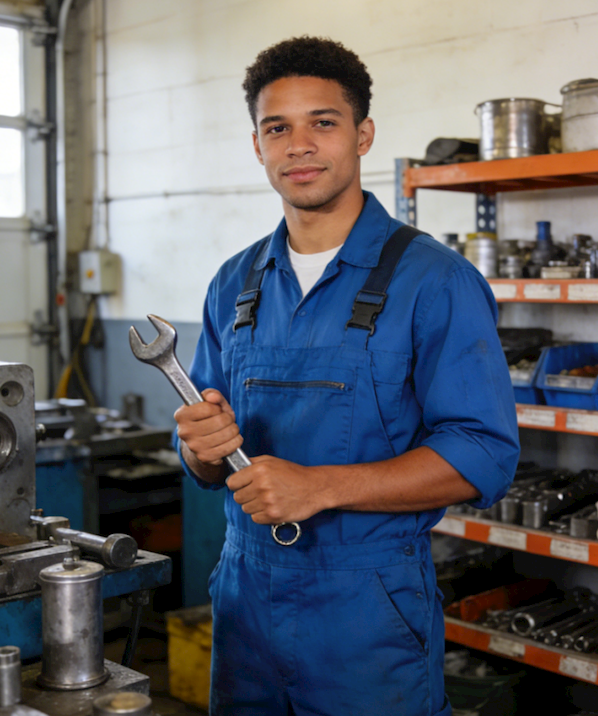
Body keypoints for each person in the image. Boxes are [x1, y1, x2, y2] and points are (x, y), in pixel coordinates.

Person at [174, 35, 519, 716]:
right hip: (244, 606)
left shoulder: (436, 281)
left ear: (362, 136)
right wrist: (199, 448)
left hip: (367, 615)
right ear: (257, 146)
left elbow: (484, 454)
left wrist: (320, 487)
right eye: (278, 128)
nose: (299, 145)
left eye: (323, 122)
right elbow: (203, 459)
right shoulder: (233, 284)